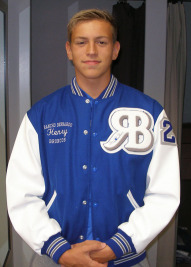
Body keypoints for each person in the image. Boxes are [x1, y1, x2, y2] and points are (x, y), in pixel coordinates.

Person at [6, 8, 180, 267]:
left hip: (126, 258)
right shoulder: (41, 115)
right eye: (81, 42)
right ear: (69, 50)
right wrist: (60, 249)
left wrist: (118, 245)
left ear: (115, 49)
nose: (91, 51)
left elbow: (165, 194)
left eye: (101, 42)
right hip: (57, 258)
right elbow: (22, 193)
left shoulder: (150, 113)